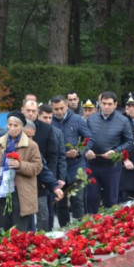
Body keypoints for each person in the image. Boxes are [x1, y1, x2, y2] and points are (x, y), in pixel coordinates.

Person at [0, 111, 42, 233]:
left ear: (22, 127)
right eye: (9, 125)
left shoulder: (31, 145)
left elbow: (37, 167)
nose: (12, 128)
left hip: (21, 194)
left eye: (16, 125)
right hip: (1, 192)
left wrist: (20, 165)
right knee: (4, 231)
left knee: (19, 233)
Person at [85, 91, 133, 214]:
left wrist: (116, 151)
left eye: (109, 104)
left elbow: (129, 141)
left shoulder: (123, 121)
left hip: (111, 166)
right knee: (90, 197)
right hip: (92, 165)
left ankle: (109, 227)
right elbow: (84, 139)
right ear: (100, 103)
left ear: (115, 104)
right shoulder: (91, 119)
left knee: (111, 200)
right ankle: (90, 225)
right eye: (104, 103)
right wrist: (86, 149)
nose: (106, 107)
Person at [51, 95, 92, 227]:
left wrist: (79, 151)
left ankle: (79, 229)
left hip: (76, 167)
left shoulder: (77, 120)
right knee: (60, 202)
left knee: (78, 200)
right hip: (58, 169)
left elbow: (89, 139)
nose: (59, 111)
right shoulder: (50, 121)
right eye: (55, 109)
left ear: (67, 105)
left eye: (61, 108)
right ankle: (64, 230)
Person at [22, 100, 59, 231]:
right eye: (28, 110)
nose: (31, 113)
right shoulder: (14, 129)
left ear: (37, 112)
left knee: (43, 215)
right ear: (22, 110)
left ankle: (42, 240)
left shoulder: (47, 129)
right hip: (21, 181)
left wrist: (50, 180)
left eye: (33, 111)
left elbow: (52, 156)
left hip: (41, 178)